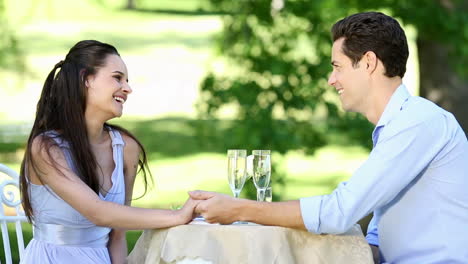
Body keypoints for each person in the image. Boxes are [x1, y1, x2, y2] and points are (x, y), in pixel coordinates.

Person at [189, 11, 468, 263]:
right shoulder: (398, 126)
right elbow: (376, 239)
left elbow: (339, 211)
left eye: (338, 66)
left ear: (369, 62)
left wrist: (240, 210)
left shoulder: (418, 123)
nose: (331, 80)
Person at [19, 40, 199, 264]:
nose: (128, 88)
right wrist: (178, 216)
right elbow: (98, 212)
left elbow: (117, 234)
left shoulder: (125, 147)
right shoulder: (47, 148)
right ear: (86, 79)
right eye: (117, 77)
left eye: (127, 80)